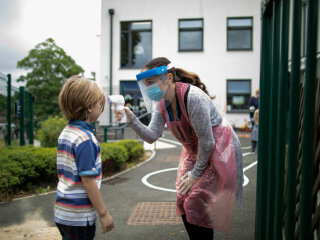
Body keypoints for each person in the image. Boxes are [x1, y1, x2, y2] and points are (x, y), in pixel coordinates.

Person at [114, 57, 243, 239]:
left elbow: (207, 142)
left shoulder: (193, 98)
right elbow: (152, 136)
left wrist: (195, 175)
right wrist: (131, 118)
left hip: (219, 147)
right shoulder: (161, 103)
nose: (148, 88)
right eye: (145, 84)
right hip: (197, 149)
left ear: (168, 78)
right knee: (182, 199)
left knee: (196, 200)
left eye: (151, 82)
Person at [55, 76, 114, 239]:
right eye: (99, 104)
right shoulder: (85, 139)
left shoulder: (66, 132)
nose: (101, 109)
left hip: (63, 212)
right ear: (89, 107)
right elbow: (88, 180)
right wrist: (103, 213)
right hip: (79, 217)